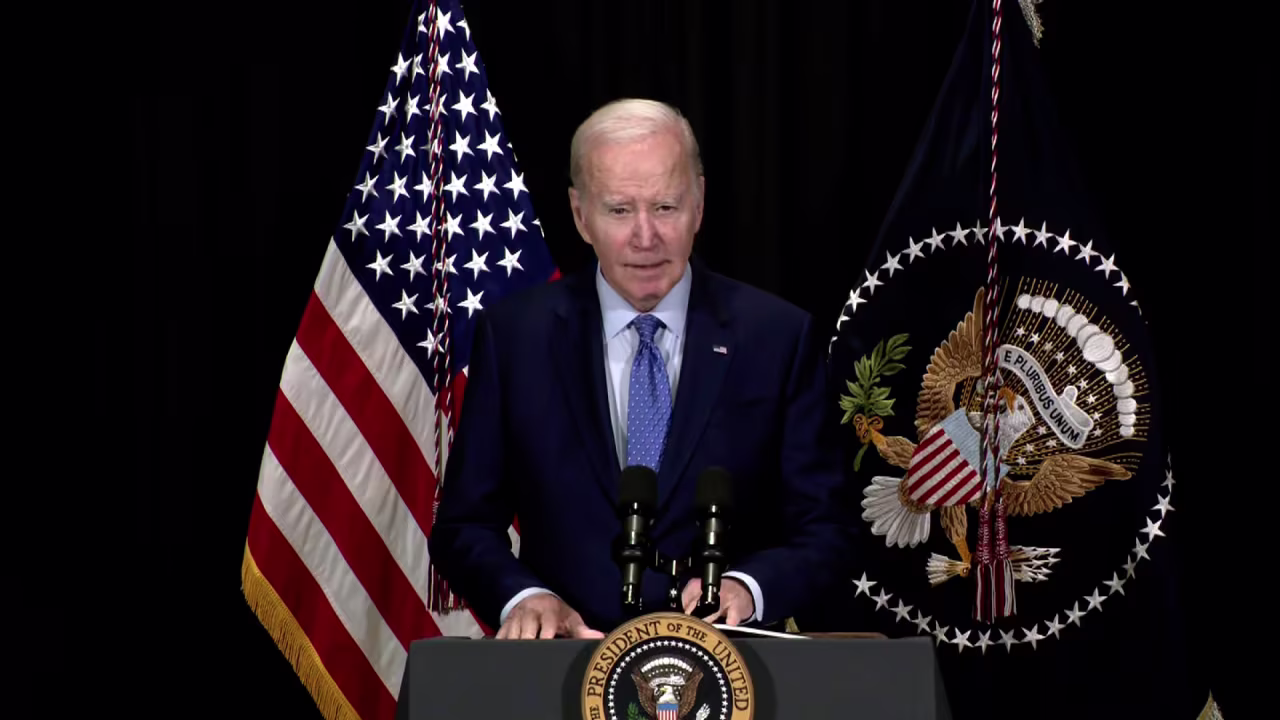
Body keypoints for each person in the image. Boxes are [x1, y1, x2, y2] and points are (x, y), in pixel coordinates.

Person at [428, 98, 855, 639]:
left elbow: (827, 527)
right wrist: (528, 598)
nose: (646, 237)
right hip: (566, 666)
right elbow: (465, 525)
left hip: (729, 668)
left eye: (666, 208)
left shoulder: (777, 336)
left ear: (699, 206)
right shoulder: (516, 338)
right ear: (581, 216)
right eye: (620, 210)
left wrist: (748, 586)